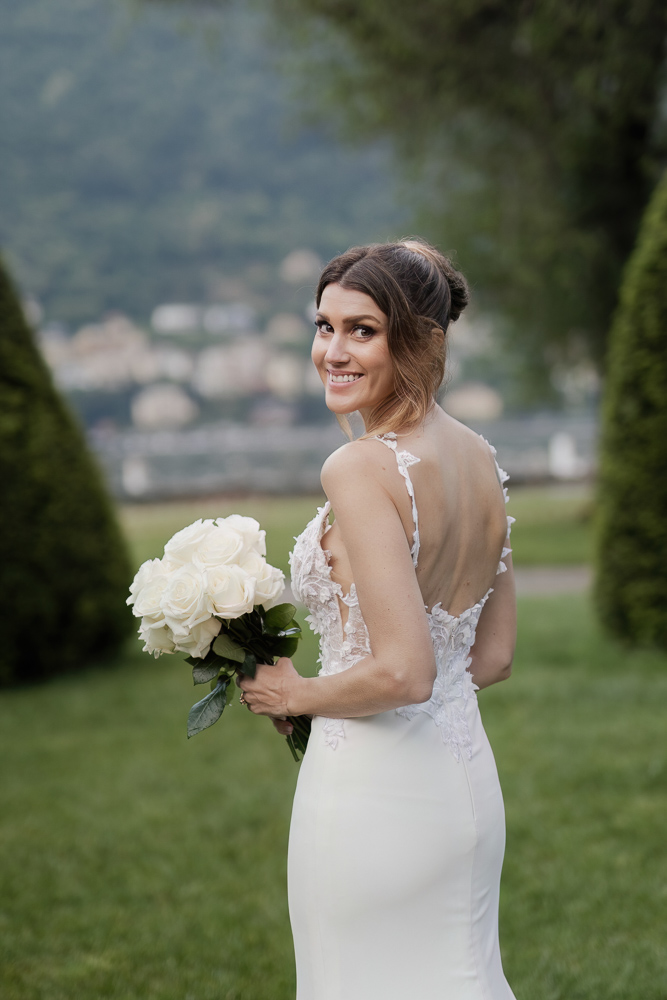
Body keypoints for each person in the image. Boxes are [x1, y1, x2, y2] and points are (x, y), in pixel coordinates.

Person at [238, 239, 518, 1000]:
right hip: (462, 788)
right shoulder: (480, 458)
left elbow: (404, 671)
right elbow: (489, 658)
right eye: (323, 325)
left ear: (420, 341)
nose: (332, 350)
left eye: (361, 330)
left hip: (370, 794)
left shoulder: (359, 467)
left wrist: (295, 695)